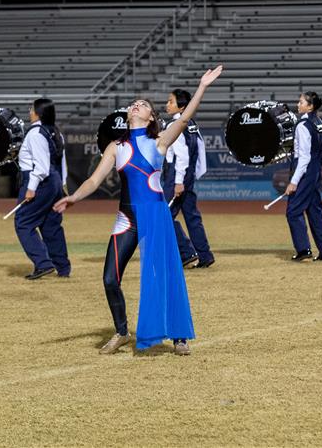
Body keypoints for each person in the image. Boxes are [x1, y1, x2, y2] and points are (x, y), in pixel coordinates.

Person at [53, 65, 223, 356]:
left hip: (155, 217)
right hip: (126, 219)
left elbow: (185, 117)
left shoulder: (160, 141)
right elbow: (94, 180)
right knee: (109, 278)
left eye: (143, 105)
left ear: (151, 117)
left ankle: (179, 335)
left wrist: (203, 87)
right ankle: (121, 331)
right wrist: (74, 198)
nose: (136, 105)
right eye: (134, 103)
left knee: (166, 275)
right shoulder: (115, 146)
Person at [14, 98, 71, 278]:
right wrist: (62, 185)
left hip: (39, 182)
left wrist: (31, 188)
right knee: (51, 225)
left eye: (31, 109)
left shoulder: (35, 133)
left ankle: (43, 263)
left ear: (37, 112)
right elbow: (62, 162)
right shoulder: (55, 131)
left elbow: (41, 167)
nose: (29, 112)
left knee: (23, 223)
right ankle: (62, 267)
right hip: (54, 181)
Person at [162, 88, 214, 269]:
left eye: (170, 101)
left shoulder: (174, 126)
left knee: (163, 216)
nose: (167, 105)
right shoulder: (191, 124)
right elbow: (200, 150)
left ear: (182, 106)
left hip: (176, 176)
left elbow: (181, 156)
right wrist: (194, 174)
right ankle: (204, 255)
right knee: (192, 217)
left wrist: (178, 181)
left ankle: (187, 253)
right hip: (187, 176)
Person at [283, 91, 322, 262]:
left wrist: (293, 182)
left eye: (301, 102)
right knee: (314, 211)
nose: (298, 105)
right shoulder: (321, 122)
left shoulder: (303, 125)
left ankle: (303, 250)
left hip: (304, 171)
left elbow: (304, 158)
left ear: (310, 106)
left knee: (293, 211)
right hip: (315, 170)